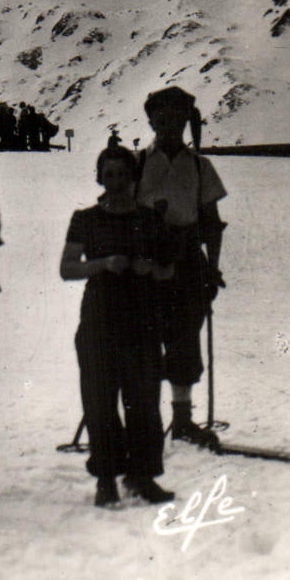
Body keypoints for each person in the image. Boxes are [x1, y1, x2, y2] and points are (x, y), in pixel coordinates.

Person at [60, 146, 175, 508]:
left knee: (143, 402)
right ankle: (106, 479)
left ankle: (141, 477)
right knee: (100, 401)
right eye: (108, 175)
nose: (115, 182)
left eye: (122, 175)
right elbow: (67, 268)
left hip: (141, 321)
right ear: (100, 177)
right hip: (99, 321)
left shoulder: (150, 220)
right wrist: (103, 263)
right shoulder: (85, 219)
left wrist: (150, 269)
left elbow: (168, 269)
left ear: (133, 177)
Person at [134, 86, 229, 448]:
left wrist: (214, 269)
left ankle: (182, 420)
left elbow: (212, 222)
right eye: (162, 120)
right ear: (151, 121)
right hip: (146, 262)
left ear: (187, 123)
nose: (170, 126)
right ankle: (143, 421)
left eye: (177, 120)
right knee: (143, 340)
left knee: (184, 338)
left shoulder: (201, 167)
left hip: (189, 262)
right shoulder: (138, 163)